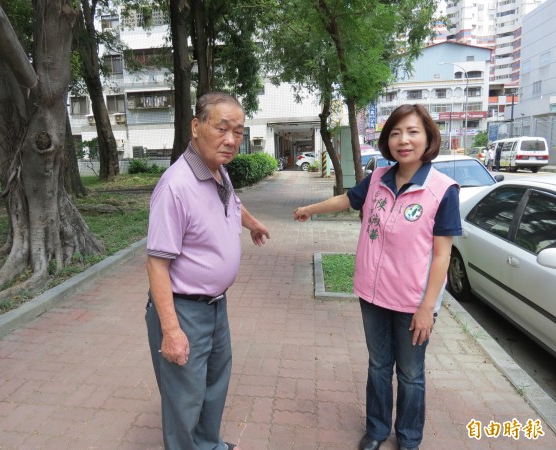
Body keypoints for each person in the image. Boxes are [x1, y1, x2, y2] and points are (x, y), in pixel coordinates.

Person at [294, 104, 461, 450]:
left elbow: (442, 254)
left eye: (413, 132)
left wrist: (427, 308)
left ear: (428, 137)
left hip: (413, 302)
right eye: (396, 133)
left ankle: (409, 438)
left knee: (411, 374)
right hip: (372, 295)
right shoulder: (378, 179)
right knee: (378, 365)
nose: (404, 140)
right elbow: (347, 200)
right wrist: (310, 210)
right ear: (387, 140)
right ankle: (377, 429)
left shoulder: (443, 190)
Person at [146, 91, 270, 450]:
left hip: (216, 306)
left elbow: (233, 204)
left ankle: (208, 444)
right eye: (222, 128)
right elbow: (156, 263)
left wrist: (252, 224)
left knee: (214, 384)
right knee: (184, 399)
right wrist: (171, 330)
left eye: (239, 132)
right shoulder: (175, 186)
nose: (231, 140)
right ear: (197, 127)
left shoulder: (218, 172)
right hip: (184, 310)